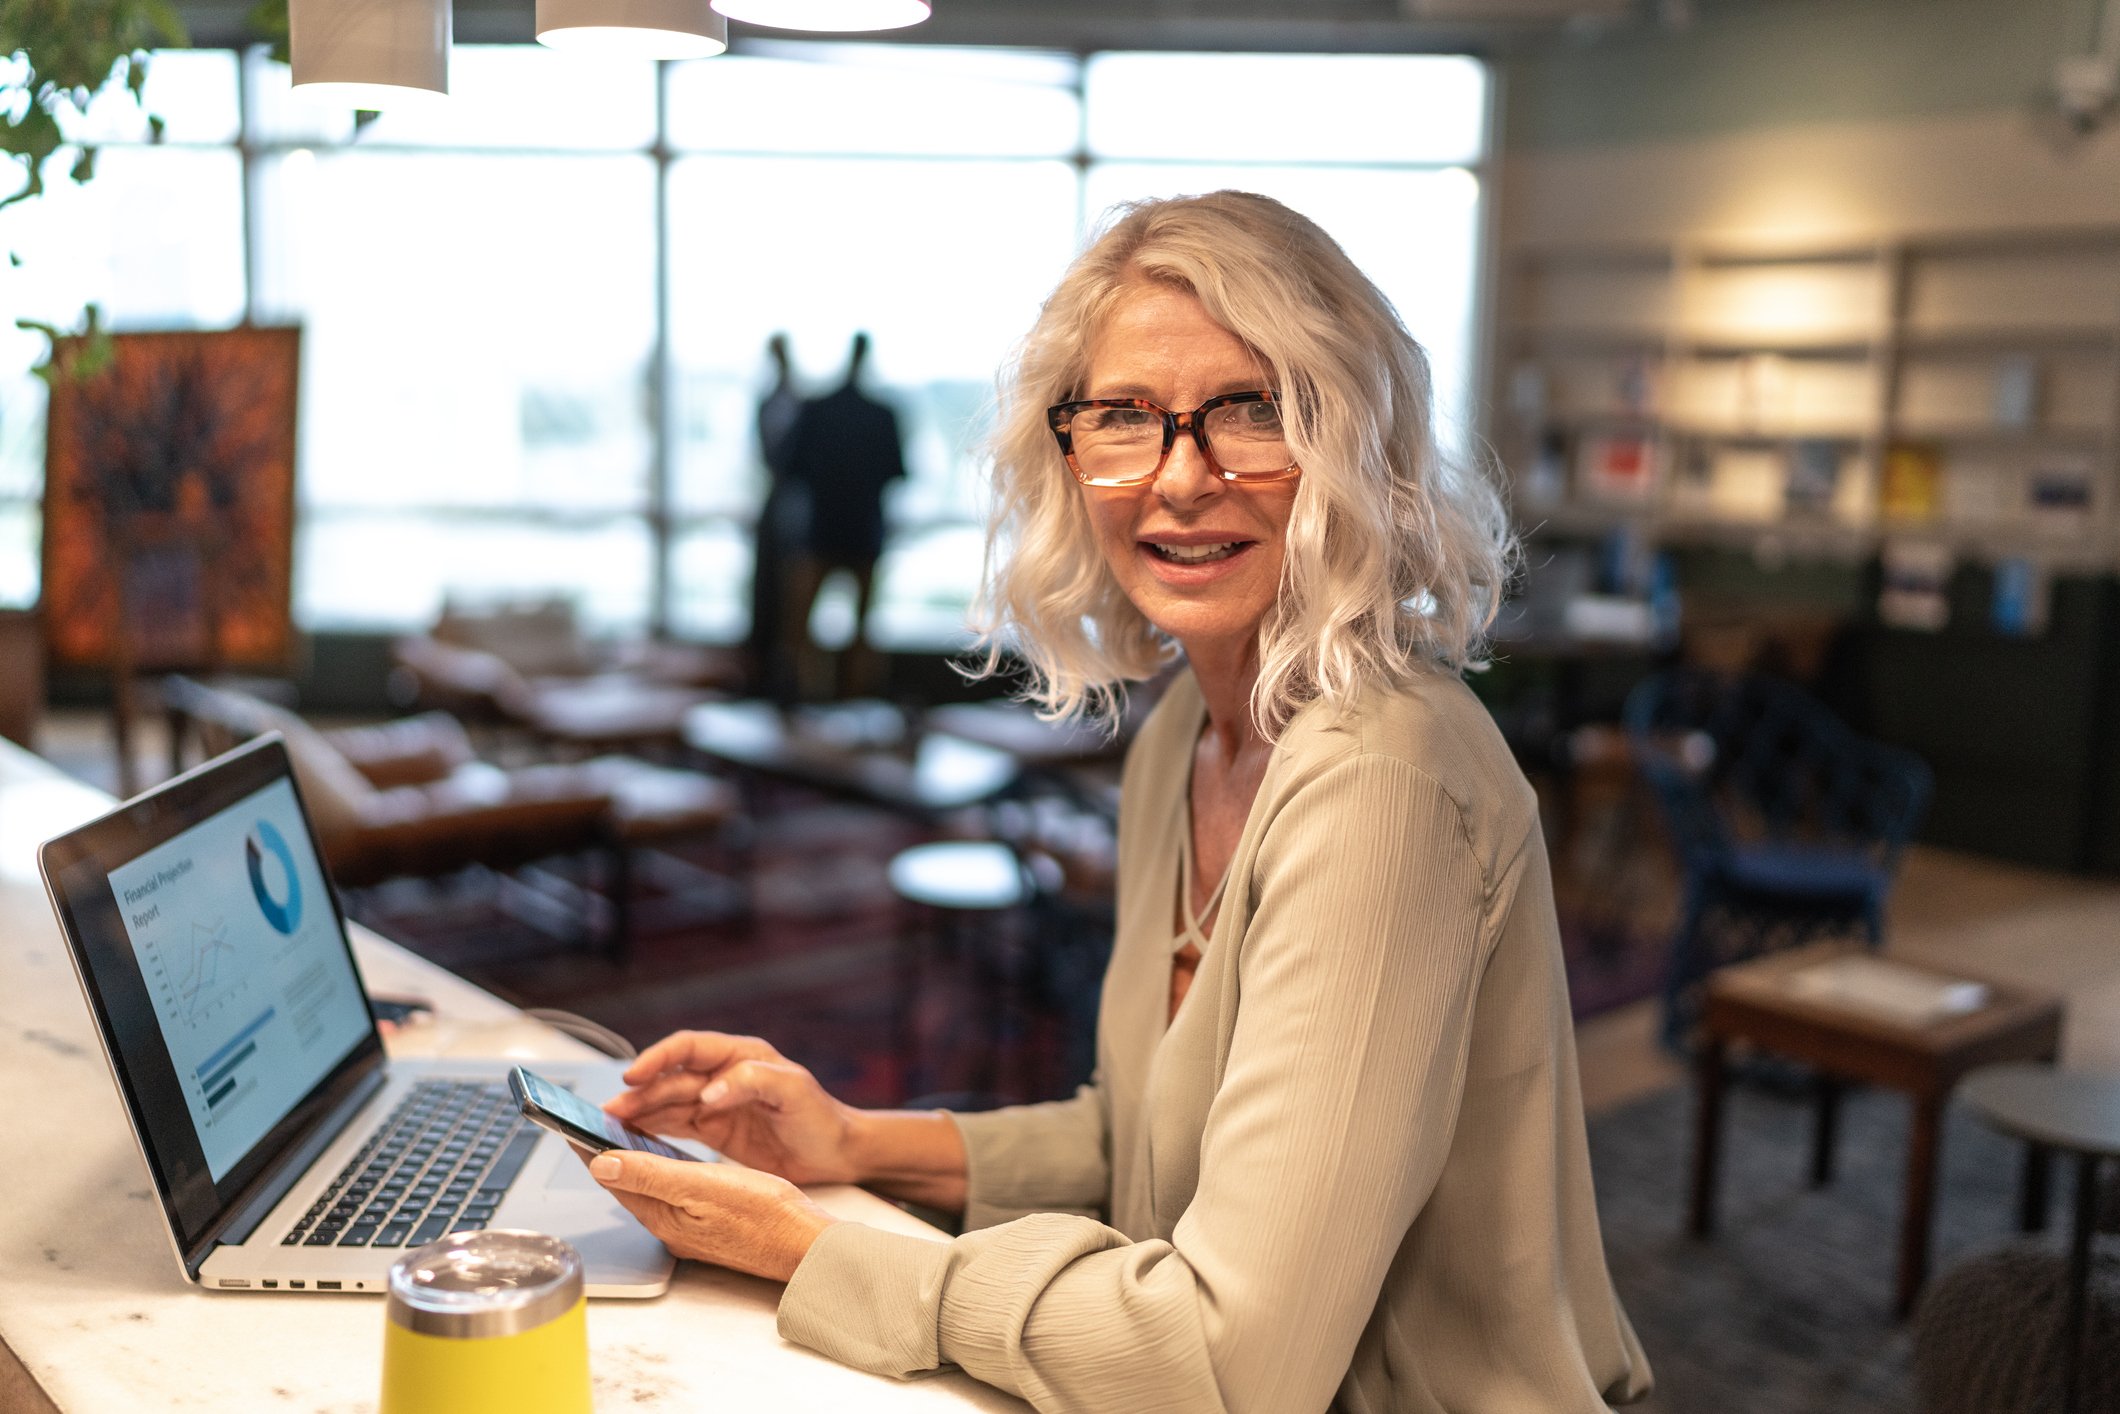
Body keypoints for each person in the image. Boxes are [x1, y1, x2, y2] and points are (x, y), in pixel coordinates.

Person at [588, 191, 1653, 1411]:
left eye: (1253, 413)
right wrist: (852, 1142)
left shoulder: (1379, 781)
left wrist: (807, 1246)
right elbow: (1141, 1143)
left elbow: (1225, 1360)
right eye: (1124, 420)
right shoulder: (1182, 735)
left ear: (1353, 444)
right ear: (1068, 455)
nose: (1180, 479)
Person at [779, 331, 907, 700]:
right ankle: (855, 703)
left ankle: (808, 704)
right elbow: (897, 471)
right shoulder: (882, 415)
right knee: (861, 632)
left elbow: (790, 467)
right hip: (864, 532)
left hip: (819, 532)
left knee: (801, 633)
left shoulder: (816, 409)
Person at [747, 333, 805, 705]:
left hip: (795, 507)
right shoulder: (769, 400)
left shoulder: (802, 403)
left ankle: (788, 679)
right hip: (779, 504)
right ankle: (765, 673)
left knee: (791, 594)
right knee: (768, 589)